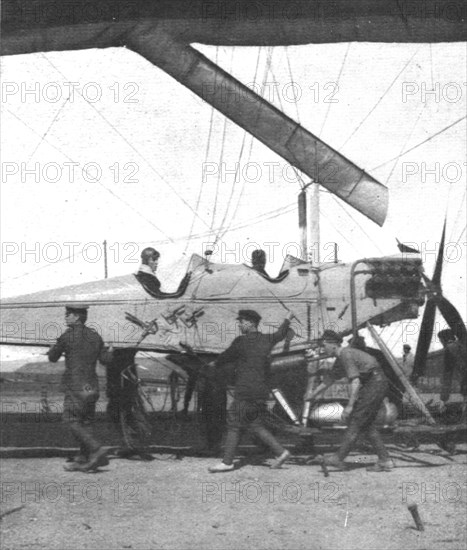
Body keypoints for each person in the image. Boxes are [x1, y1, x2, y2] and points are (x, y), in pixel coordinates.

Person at [208, 309, 293, 472]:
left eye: (241, 321)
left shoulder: (240, 342)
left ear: (250, 323)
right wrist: (288, 318)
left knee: (233, 421)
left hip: (245, 390)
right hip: (261, 391)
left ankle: (227, 462)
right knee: (254, 424)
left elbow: (225, 357)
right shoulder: (267, 339)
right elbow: (281, 333)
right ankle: (282, 452)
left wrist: (213, 364)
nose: (239, 324)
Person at [306, 330, 393, 472]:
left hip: (375, 383)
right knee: (366, 424)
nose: (323, 349)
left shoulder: (345, 354)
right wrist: (313, 394)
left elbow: (356, 382)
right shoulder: (341, 357)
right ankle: (385, 460)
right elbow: (330, 379)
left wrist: (350, 406)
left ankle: (338, 457)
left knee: (357, 420)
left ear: (333, 345)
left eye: (324, 345)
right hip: (374, 383)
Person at [48, 305, 112, 472]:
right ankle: (84, 459)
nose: (65, 317)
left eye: (68, 315)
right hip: (92, 386)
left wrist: (52, 349)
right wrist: (109, 351)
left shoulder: (67, 336)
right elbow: (106, 360)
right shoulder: (96, 336)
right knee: (86, 422)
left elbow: (53, 358)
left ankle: (96, 449)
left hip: (75, 386)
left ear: (76, 317)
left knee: (71, 420)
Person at [103, 348, 154, 461]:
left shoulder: (118, 347)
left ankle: (134, 447)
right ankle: (130, 446)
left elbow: (105, 359)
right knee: (127, 414)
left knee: (122, 414)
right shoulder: (128, 345)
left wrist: (106, 349)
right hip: (127, 383)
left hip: (119, 385)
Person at [437, 329, 467, 415]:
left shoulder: (450, 348)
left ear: (443, 339)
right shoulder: (461, 345)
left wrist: (443, 400)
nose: (441, 342)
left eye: (441, 340)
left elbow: (447, 375)